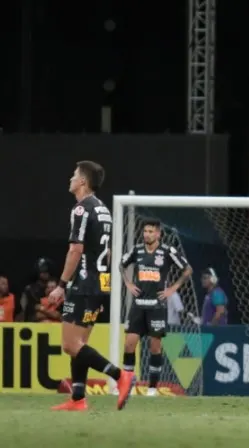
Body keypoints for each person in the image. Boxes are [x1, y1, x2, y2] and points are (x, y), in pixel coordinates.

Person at [49, 160, 135, 411]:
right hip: (100, 283)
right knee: (81, 344)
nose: (70, 179)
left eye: (74, 175)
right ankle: (78, 399)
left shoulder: (81, 209)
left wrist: (62, 285)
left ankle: (121, 376)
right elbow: (106, 252)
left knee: (70, 344)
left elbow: (75, 249)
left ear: (83, 182)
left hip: (84, 284)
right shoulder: (103, 209)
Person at [120, 219, 193, 397]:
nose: (147, 234)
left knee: (155, 347)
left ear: (158, 234)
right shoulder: (136, 250)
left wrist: (173, 289)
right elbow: (121, 264)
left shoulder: (167, 251)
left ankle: (152, 388)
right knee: (129, 344)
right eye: (145, 231)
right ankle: (125, 385)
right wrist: (128, 284)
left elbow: (188, 269)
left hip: (157, 306)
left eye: (151, 231)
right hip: (138, 305)